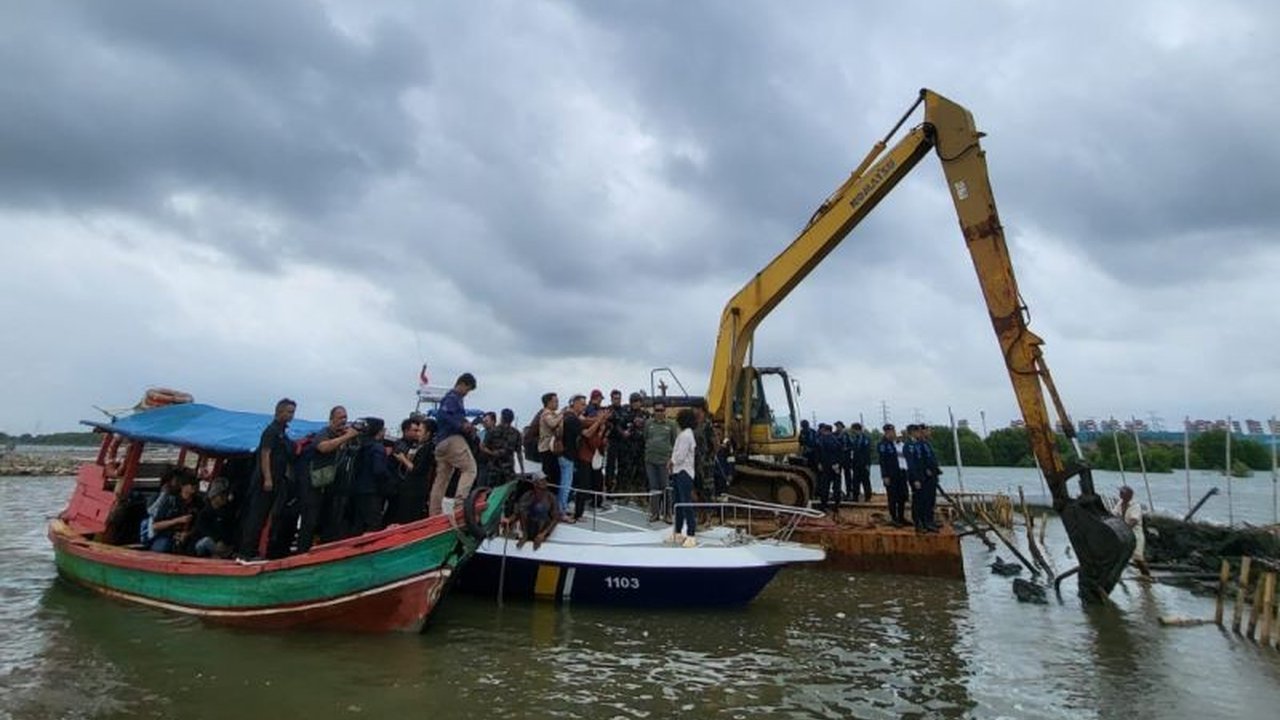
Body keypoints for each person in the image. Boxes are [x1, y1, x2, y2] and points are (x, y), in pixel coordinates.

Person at [238, 398, 296, 559]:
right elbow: (265, 454)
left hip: (278, 480)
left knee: (265, 518)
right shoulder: (271, 431)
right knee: (256, 517)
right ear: (279, 412)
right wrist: (268, 478)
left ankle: (255, 551)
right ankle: (245, 553)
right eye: (289, 412)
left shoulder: (283, 433)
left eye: (293, 412)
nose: (291, 415)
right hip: (265, 481)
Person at [298, 406, 361, 551]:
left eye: (345, 417)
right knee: (309, 521)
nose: (343, 421)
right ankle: (302, 552)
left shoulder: (344, 435)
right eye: (340, 418)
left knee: (328, 520)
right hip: (313, 485)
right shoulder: (324, 432)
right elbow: (323, 447)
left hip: (331, 486)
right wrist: (346, 437)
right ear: (331, 419)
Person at [429, 373, 478, 516]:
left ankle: (434, 512)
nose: (467, 394)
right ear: (462, 384)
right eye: (467, 390)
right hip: (452, 439)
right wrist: (462, 425)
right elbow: (443, 415)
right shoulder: (453, 398)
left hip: (441, 442)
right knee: (470, 469)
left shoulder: (450, 398)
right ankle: (459, 506)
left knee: (442, 479)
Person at [351, 418, 390, 535]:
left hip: (358, 489)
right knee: (373, 524)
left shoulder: (362, 445)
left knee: (358, 523)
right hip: (373, 491)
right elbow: (379, 470)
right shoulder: (378, 448)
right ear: (379, 431)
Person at [642, 401, 677, 522]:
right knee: (653, 487)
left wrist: (671, 459)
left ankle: (668, 514)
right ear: (653, 411)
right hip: (650, 460)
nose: (659, 412)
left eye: (661, 410)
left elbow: (674, 442)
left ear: (665, 411)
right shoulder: (648, 424)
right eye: (657, 410)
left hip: (664, 461)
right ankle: (654, 513)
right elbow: (645, 438)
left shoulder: (671, 424)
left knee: (666, 487)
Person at [669, 408, 698, 547]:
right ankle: (678, 532)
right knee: (678, 503)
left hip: (684, 472)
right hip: (678, 471)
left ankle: (691, 534)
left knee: (686, 503)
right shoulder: (684, 434)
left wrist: (671, 461)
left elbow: (680, 455)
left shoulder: (686, 435)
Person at [192, 478, 237, 558]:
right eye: (222, 495)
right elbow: (202, 530)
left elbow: (229, 531)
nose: (224, 498)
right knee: (206, 542)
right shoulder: (204, 512)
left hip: (223, 544)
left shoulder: (227, 512)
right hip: (204, 544)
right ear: (214, 496)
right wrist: (217, 540)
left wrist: (223, 541)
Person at [558, 394, 586, 520]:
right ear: (574, 403)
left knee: (567, 483)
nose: (584, 406)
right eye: (582, 404)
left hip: (565, 455)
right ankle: (561, 511)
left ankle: (562, 507)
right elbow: (586, 433)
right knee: (566, 485)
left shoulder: (567, 416)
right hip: (567, 456)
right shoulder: (572, 419)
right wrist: (599, 421)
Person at [513, 477, 560, 550]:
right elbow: (518, 512)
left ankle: (539, 536)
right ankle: (526, 535)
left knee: (540, 509)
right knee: (523, 510)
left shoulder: (551, 497)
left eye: (543, 489)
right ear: (534, 487)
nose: (541, 491)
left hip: (542, 526)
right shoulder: (528, 496)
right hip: (529, 526)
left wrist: (543, 534)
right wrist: (509, 519)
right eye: (539, 488)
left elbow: (556, 518)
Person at [482, 408, 523, 487]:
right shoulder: (516, 433)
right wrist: (522, 469)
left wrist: (492, 453)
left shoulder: (492, 431)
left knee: (492, 492)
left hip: (494, 467)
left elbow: (482, 447)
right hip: (508, 468)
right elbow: (519, 453)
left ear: (501, 418)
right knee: (509, 492)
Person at [878, 423, 909, 527]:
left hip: (900, 473)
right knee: (892, 497)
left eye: (894, 431)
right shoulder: (883, 445)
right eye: (892, 431)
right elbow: (882, 461)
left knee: (902, 496)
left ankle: (901, 517)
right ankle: (894, 518)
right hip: (890, 475)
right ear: (887, 432)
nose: (894, 433)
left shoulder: (894, 443)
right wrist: (885, 475)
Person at [1116, 486, 1151, 578]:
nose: (1120, 494)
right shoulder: (1120, 503)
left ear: (1129, 495)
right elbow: (1113, 514)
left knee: (1138, 558)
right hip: (1124, 534)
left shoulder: (1135, 506)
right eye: (1120, 492)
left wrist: (1124, 528)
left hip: (1135, 534)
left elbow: (1134, 521)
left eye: (1122, 493)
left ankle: (1147, 575)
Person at [536, 392, 564, 486]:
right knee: (550, 475)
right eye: (555, 401)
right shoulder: (546, 414)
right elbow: (552, 424)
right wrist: (561, 414)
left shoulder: (553, 414)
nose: (557, 403)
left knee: (555, 475)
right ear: (548, 403)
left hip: (552, 449)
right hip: (546, 448)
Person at [816, 423, 844, 512]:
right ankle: (836, 505)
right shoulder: (836, 440)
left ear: (825, 430)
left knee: (825, 486)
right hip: (836, 467)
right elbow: (841, 453)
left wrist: (819, 463)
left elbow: (818, 453)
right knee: (836, 487)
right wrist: (838, 464)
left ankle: (823, 505)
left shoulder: (821, 440)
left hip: (826, 466)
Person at [848, 422, 873, 502]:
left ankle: (868, 497)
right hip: (856, 464)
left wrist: (868, 464)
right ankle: (855, 497)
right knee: (855, 481)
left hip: (864, 463)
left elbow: (867, 453)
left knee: (865, 481)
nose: (853, 432)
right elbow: (853, 452)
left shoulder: (865, 439)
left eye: (853, 430)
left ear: (857, 429)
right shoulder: (855, 439)